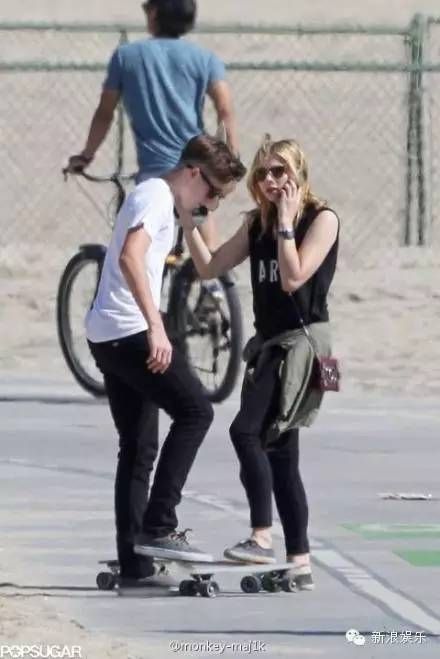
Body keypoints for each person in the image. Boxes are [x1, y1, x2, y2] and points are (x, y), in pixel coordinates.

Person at [179, 136, 339, 591]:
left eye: (279, 171)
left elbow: (293, 278)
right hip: (269, 344)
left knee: (245, 431)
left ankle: (261, 536)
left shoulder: (321, 219)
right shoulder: (257, 224)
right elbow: (210, 268)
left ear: (298, 173)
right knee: (282, 454)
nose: (270, 180)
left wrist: (286, 225)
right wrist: (190, 224)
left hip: (302, 345)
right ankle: (300, 564)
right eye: (263, 173)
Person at [86, 134, 246, 589]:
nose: (211, 204)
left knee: (138, 447)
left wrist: (190, 223)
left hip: (108, 335)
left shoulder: (159, 199)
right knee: (196, 412)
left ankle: (135, 562)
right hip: (130, 331)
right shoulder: (155, 196)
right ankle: (159, 525)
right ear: (192, 173)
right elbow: (130, 257)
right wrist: (156, 326)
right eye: (212, 192)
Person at [67, 0, 238, 250]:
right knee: (209, 251)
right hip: (198, 170)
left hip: (156, 175)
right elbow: (225, 109)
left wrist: (86, 156)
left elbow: (105, 113)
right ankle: (211, 273)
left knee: (140, 251)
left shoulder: (126, 57)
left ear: (155, 13)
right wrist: (229, 160)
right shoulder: (205, 58)